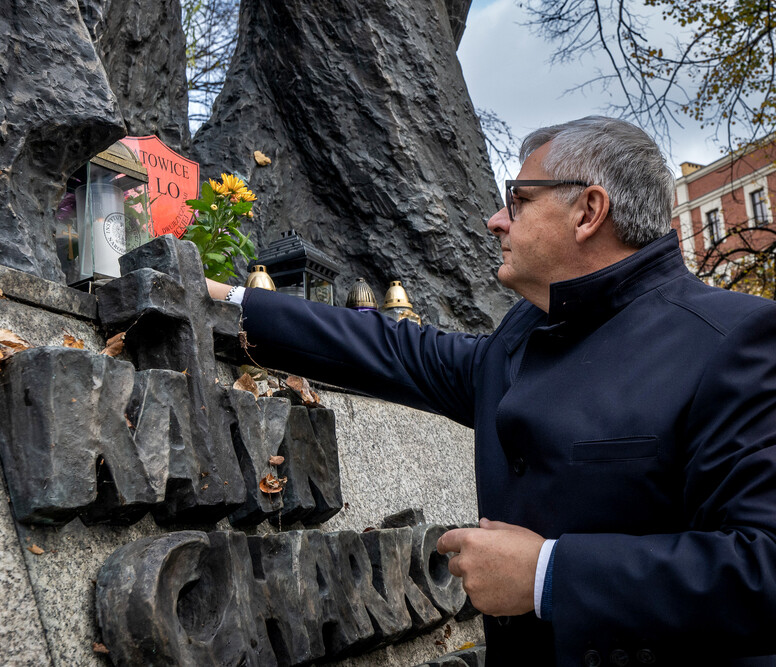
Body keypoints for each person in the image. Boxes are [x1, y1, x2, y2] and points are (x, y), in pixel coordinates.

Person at [206, 116, 776, 666]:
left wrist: (547, 574)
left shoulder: (734, 340)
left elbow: (764, 569)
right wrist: (230, 302)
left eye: (520, 200)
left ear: (589, 211)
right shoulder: (523, 335)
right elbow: (400, 349)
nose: (495, 220)